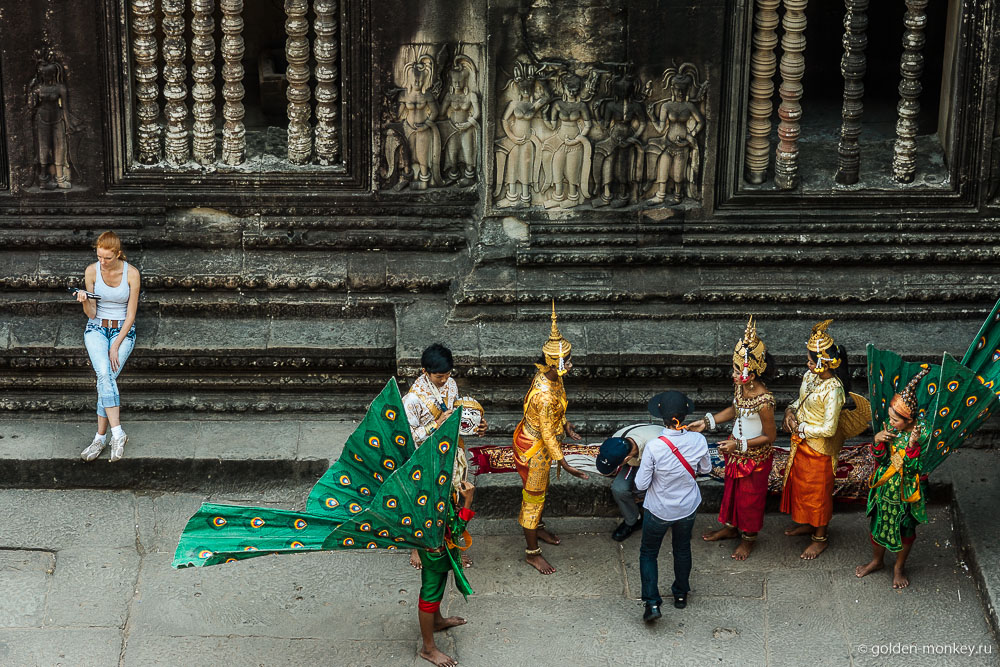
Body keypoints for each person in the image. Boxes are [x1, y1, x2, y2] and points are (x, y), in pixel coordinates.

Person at [780, 320, 868, 559]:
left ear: (823, 362)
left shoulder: (834, 389)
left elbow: (829, 428)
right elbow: (800, 401)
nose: (807, 364)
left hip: (820, 448)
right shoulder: (810, 377)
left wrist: (802, 428)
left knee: (818, 494)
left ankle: (820, 538)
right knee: (802, 489)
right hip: (802, 443)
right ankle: (807, 523)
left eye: (810, 360)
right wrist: (789, 412)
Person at [691, 315, 777, 560]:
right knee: (732, 494)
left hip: (754, 457)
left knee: (750, 500)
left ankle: (748, 540)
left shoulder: (765, 400)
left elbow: (769, 436)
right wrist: (707, 422)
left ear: (752, 370)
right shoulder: (741, 387)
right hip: (735, 452)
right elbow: (735, 409)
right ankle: (730, 529)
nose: (734, 373)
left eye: (738, 369)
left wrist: (739, 444)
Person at [512, 302, 589, 574]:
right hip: (535, 449)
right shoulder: (544, 392)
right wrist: (565, 463)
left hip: (544, 442)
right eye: (566, 360)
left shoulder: (552, 375)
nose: (570, 364)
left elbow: (559, 408)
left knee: (542, 494)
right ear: (555, 362)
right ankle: (532, 553)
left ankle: (539, 529)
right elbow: (546, 430)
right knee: (533, 499)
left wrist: (566, 426)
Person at [403, 343, 487, 569]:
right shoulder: (412, 400)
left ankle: (453, 544)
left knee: (454, 500)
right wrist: (436, 424)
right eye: (439, 376)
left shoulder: (451, 384)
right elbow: (409, 437)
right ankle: (418, 547)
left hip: (451, 451)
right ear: (425, 372)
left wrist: (476, 425)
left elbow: (458, 417)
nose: (444, 380)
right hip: (426, 456)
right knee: (425, 502)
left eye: (448, 374)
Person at [634, 390, 711, 622]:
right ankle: (680, 595)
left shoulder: (655, 446)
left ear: (661, 417)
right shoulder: (699, 439)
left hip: (659, 509)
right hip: (687, 507)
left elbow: (641, 483)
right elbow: (705, 469)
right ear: (685, 415)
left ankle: (652, 604)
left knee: (648, 553)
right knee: (682, 548)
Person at [77, 231, 140, 462]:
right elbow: (91, 313)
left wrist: (116, 345)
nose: (102, 262)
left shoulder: (131, 273)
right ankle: (118, 433)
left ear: (118, 254)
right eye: (99, 256)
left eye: (107, 258)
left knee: (106, 378)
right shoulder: (92, 271)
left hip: (122, 330)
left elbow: (131, 315)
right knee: (104, 374)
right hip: (96, 329)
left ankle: (99, 438)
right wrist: (85, 302)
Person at [417, 480, 477, 667]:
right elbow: (457, 529)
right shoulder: (437, 501)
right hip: (436, 552)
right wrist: (468, 501)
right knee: (430, 595)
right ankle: (428, 648)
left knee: (437, 589)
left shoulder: (427, 488)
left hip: (433, 549)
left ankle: (437, 621)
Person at [596, 420, 669, 542]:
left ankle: (668, 517)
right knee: (619, 489)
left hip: (661, 464)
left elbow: (666, 474)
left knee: (657, 488)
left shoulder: (658, 446)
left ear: (626, 458)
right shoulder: (617, 438)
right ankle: (633, 520)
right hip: (637, 460)